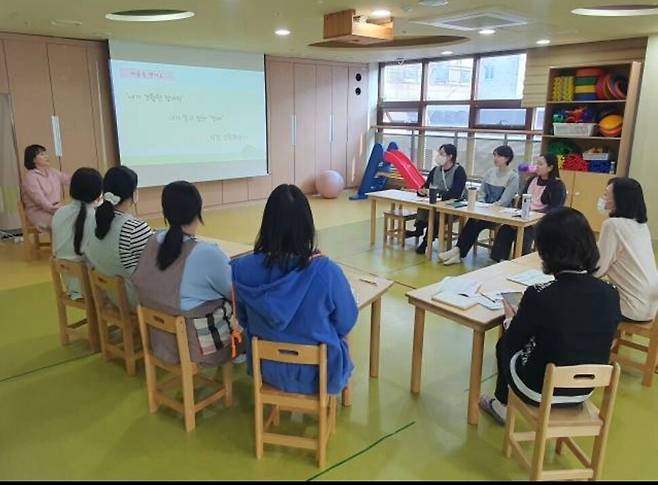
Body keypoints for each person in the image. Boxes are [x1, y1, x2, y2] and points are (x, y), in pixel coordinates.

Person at [479, 208, 621, 425]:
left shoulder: (539, 294)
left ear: (546, 252)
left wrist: (510, 321)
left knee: (503, 345)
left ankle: (501, 405)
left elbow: (514, 341)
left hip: (537, 389)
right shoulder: (611, 292)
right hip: (584, 390)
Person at [231, 184, 358, 395]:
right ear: (308, 226)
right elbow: (346, 322)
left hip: (265, 368)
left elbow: (243, 318)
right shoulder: (326, 271)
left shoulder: (241, 269)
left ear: (267, 224)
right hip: (317, 374)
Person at [133, 181, 237, 367]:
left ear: (165, 212)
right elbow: (234, 294)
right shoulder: (206, 253)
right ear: (198, 210)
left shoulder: (152, 241)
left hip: (158, 340)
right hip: (198, 347)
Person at [438, 145, 519, 265]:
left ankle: (459, 252)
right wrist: (482, 204)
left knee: (476, 222)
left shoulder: (513, 176)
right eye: (494, 155)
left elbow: (505, 201)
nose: (495, 158)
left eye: (499, 156)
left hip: (501, 213)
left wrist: (490, 208)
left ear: (507, 158)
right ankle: (458, 251)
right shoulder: (490, 172)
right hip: (485, 209)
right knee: (473, 220)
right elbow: (482, 192)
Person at [85, 166, 152, 309]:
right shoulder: (135, 228)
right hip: (137, 300)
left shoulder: (92, 220)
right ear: (134, 194)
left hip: (111, 296)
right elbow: (156, 265)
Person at [595, 177, 658, 322]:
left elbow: (599, 269)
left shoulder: (612, 225)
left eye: (606, 194)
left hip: (631, 308)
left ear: (619, 200)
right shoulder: (641, 225)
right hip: (650, 305)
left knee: (579, 297)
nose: (603, 199)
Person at [490, 153, 566, 262]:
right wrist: (519, 214)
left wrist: (535, 213)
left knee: (526, 232)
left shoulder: (557, 185)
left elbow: (555, 209)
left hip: (542, 220)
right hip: (524, 215)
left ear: (550, 167)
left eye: (540, 164)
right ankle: (499, 260)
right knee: (505, 229)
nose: (536, 166)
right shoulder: (532, 180)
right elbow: (522, 199)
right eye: (536, 163)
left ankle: (521, 261)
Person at [405, 144, 467, 255]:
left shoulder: (459, 171)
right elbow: (426, 186)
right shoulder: (435, 170)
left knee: (436, 214)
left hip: (452, 206)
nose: (438, 156)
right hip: (435, 204)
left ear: (450, 156)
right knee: (425, 207)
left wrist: (437, 194)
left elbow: (456, 193)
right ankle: (418, 230)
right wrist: (421, 191)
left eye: (441, 154)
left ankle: (426, 242)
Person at [51, 167, 103, 298]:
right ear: (99, 193)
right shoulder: (95, 218)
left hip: (69, 283)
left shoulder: (59, 213)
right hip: (90, 286)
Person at [20, 144, 70, 231]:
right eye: (42, 154)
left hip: (56, 209)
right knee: (66, 220)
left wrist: (84, 178)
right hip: (39, 212)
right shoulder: (30, 177)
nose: (46, 156)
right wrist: (57, 210)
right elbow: (39, 200)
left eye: (45, 153)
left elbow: (69, 180)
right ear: (33, 159)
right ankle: (62, 244)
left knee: (76, 216)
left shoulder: (52, 171)